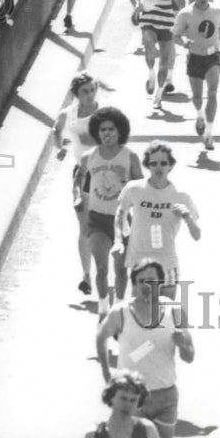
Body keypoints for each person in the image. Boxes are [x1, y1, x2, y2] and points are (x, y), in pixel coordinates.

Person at [96, 258, 194, 438]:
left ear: (160, 283)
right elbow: (101, 337)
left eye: (151, 281)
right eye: (141, 281)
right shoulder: (121, 312)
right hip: (131, 399)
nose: (146, 286)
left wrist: (182, 344)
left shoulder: (174, 311)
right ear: (134, 284)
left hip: (165, 398)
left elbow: (189, 356)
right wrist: (106, 373)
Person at [112, 144, 201, 301]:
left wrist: (187, 217)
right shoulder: (134, 189)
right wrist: (119, 240)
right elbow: (120, 213)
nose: (158, 167)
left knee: (166, 317)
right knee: (140, 315)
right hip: (140, 261)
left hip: (167, 262)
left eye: (163, 163)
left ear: (170, 166)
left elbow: (197, 235)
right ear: (148, 166)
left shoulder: (181, 195)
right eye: (153, 163)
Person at [77, 106, 143, 315]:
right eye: (103, 129)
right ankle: (104, 309)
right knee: (102, 268)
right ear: (97, 132)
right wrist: (78, 195)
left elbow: (141, 184)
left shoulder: (129, 156)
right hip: (97, 219)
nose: (107, 133)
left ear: (120, 131)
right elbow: (79, 178)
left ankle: (120, 308)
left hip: (122, 220)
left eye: (111, 129)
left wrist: (130, 184)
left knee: (121, 270)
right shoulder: (89, 157)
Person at [52, 71, 101, 294]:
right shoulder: (67, 114)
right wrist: (60, 147)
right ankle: (86, 276)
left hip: (106, 173)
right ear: (76, 94)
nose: (90, 95)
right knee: (85, 227)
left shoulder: (103, 113)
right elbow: (56, 130)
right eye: (85, 91)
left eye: (92, 90)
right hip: (82, 174)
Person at [74, 370, 168, 438]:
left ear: (139, 402)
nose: (128, 405)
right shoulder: (93, 433)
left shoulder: (147, 428)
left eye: (133, 400)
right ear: (111, 397)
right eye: (123, 398)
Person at [172, 0, 220, 150]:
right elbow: (175, 36)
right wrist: (184, 43)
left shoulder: (216, 11)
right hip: (195, 58)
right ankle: (200, 115)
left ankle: (209, 134)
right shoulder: (185, 14)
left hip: (213, 57)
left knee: (212, 93)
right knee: (197, 97)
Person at [133, 0, 186, 109]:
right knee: (148, 43)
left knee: (164, 61)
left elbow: (182, 3)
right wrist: (137, 6)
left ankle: (158, 94)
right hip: (148, 19)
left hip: (167, 22)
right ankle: (150, 74)